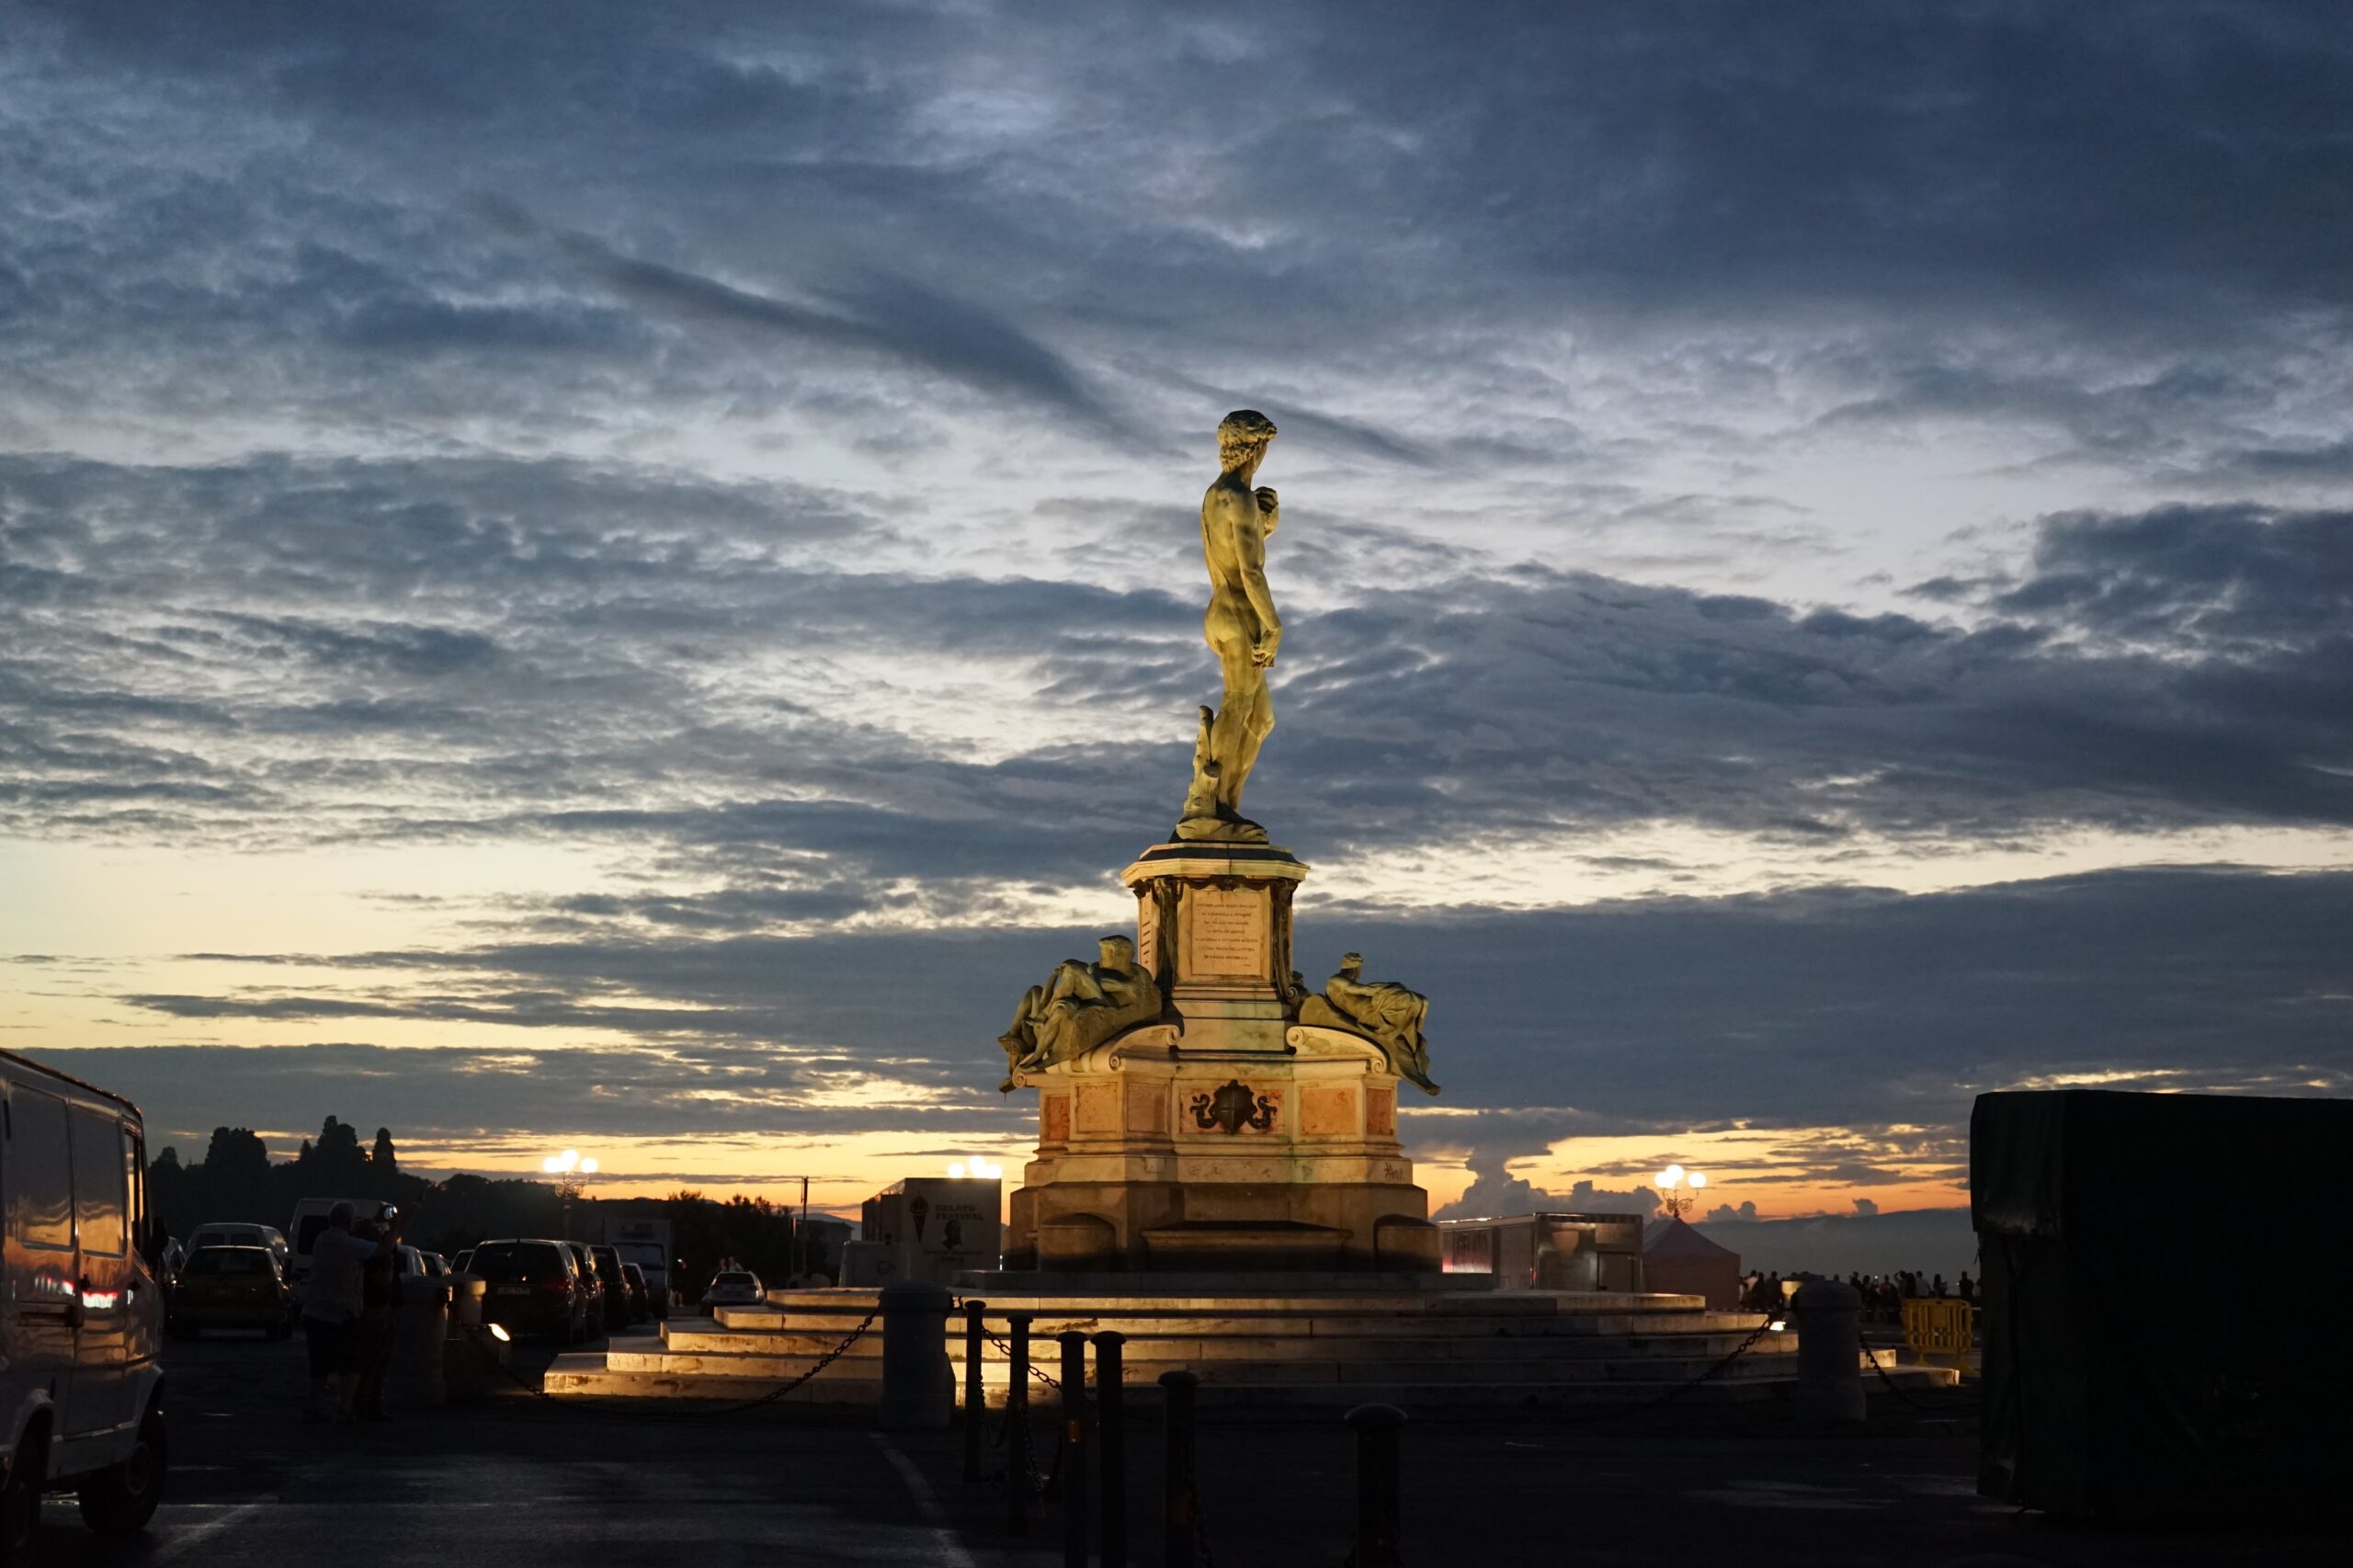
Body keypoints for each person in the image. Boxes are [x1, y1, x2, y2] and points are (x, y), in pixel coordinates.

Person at [1179, 410, 1283, 840]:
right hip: (1239, 612)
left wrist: (1265, 526)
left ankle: (1228, 807)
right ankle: (1205, 803)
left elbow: (1230, 546)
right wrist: (1273, 626)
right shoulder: (1237, 498)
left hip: (1222, 610)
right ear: (1254, 448)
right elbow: (1250, 571)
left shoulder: (1218, 495)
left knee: (1260, 719)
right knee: (1238, 704)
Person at [302, 1201, 397, 1422]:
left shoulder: (322, 1239)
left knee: (319, 1366)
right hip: (341, 1313)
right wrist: (394, 1230)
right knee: (352, 1364)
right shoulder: (348, 1244)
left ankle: (312, 1406)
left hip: (315, 1310)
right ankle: (344, 1407)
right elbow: (382, 1249)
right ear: (348, 1221)